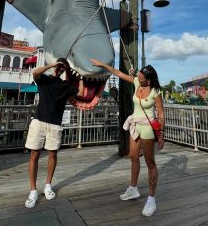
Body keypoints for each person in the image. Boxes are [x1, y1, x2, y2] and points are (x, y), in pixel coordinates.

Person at [90, 59, 165, 217]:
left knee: (150, 163)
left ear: (149, 80)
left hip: (147, 128)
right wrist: (102, 64)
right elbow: (118, 73)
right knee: (133, 156)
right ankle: (133, 189)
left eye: (141, 76)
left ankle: (151, 199)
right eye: (138, 75)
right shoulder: (137, 82)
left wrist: (162, 133)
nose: (138, 77)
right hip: (134, 124)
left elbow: (160, 113)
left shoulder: (155, 92)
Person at [24, 58, 84, 208]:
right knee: (34, 155)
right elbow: (35, 72)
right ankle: (33, 190)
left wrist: (81, 76)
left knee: (52, 154)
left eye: (62, 68)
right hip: (39, 121)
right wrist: (52, 65)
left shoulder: (66, 85)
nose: (60, 69)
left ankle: (48, 185)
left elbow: (81, 93)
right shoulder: (44, 80)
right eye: (59, 67)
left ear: (65, 71)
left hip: (55, 124)